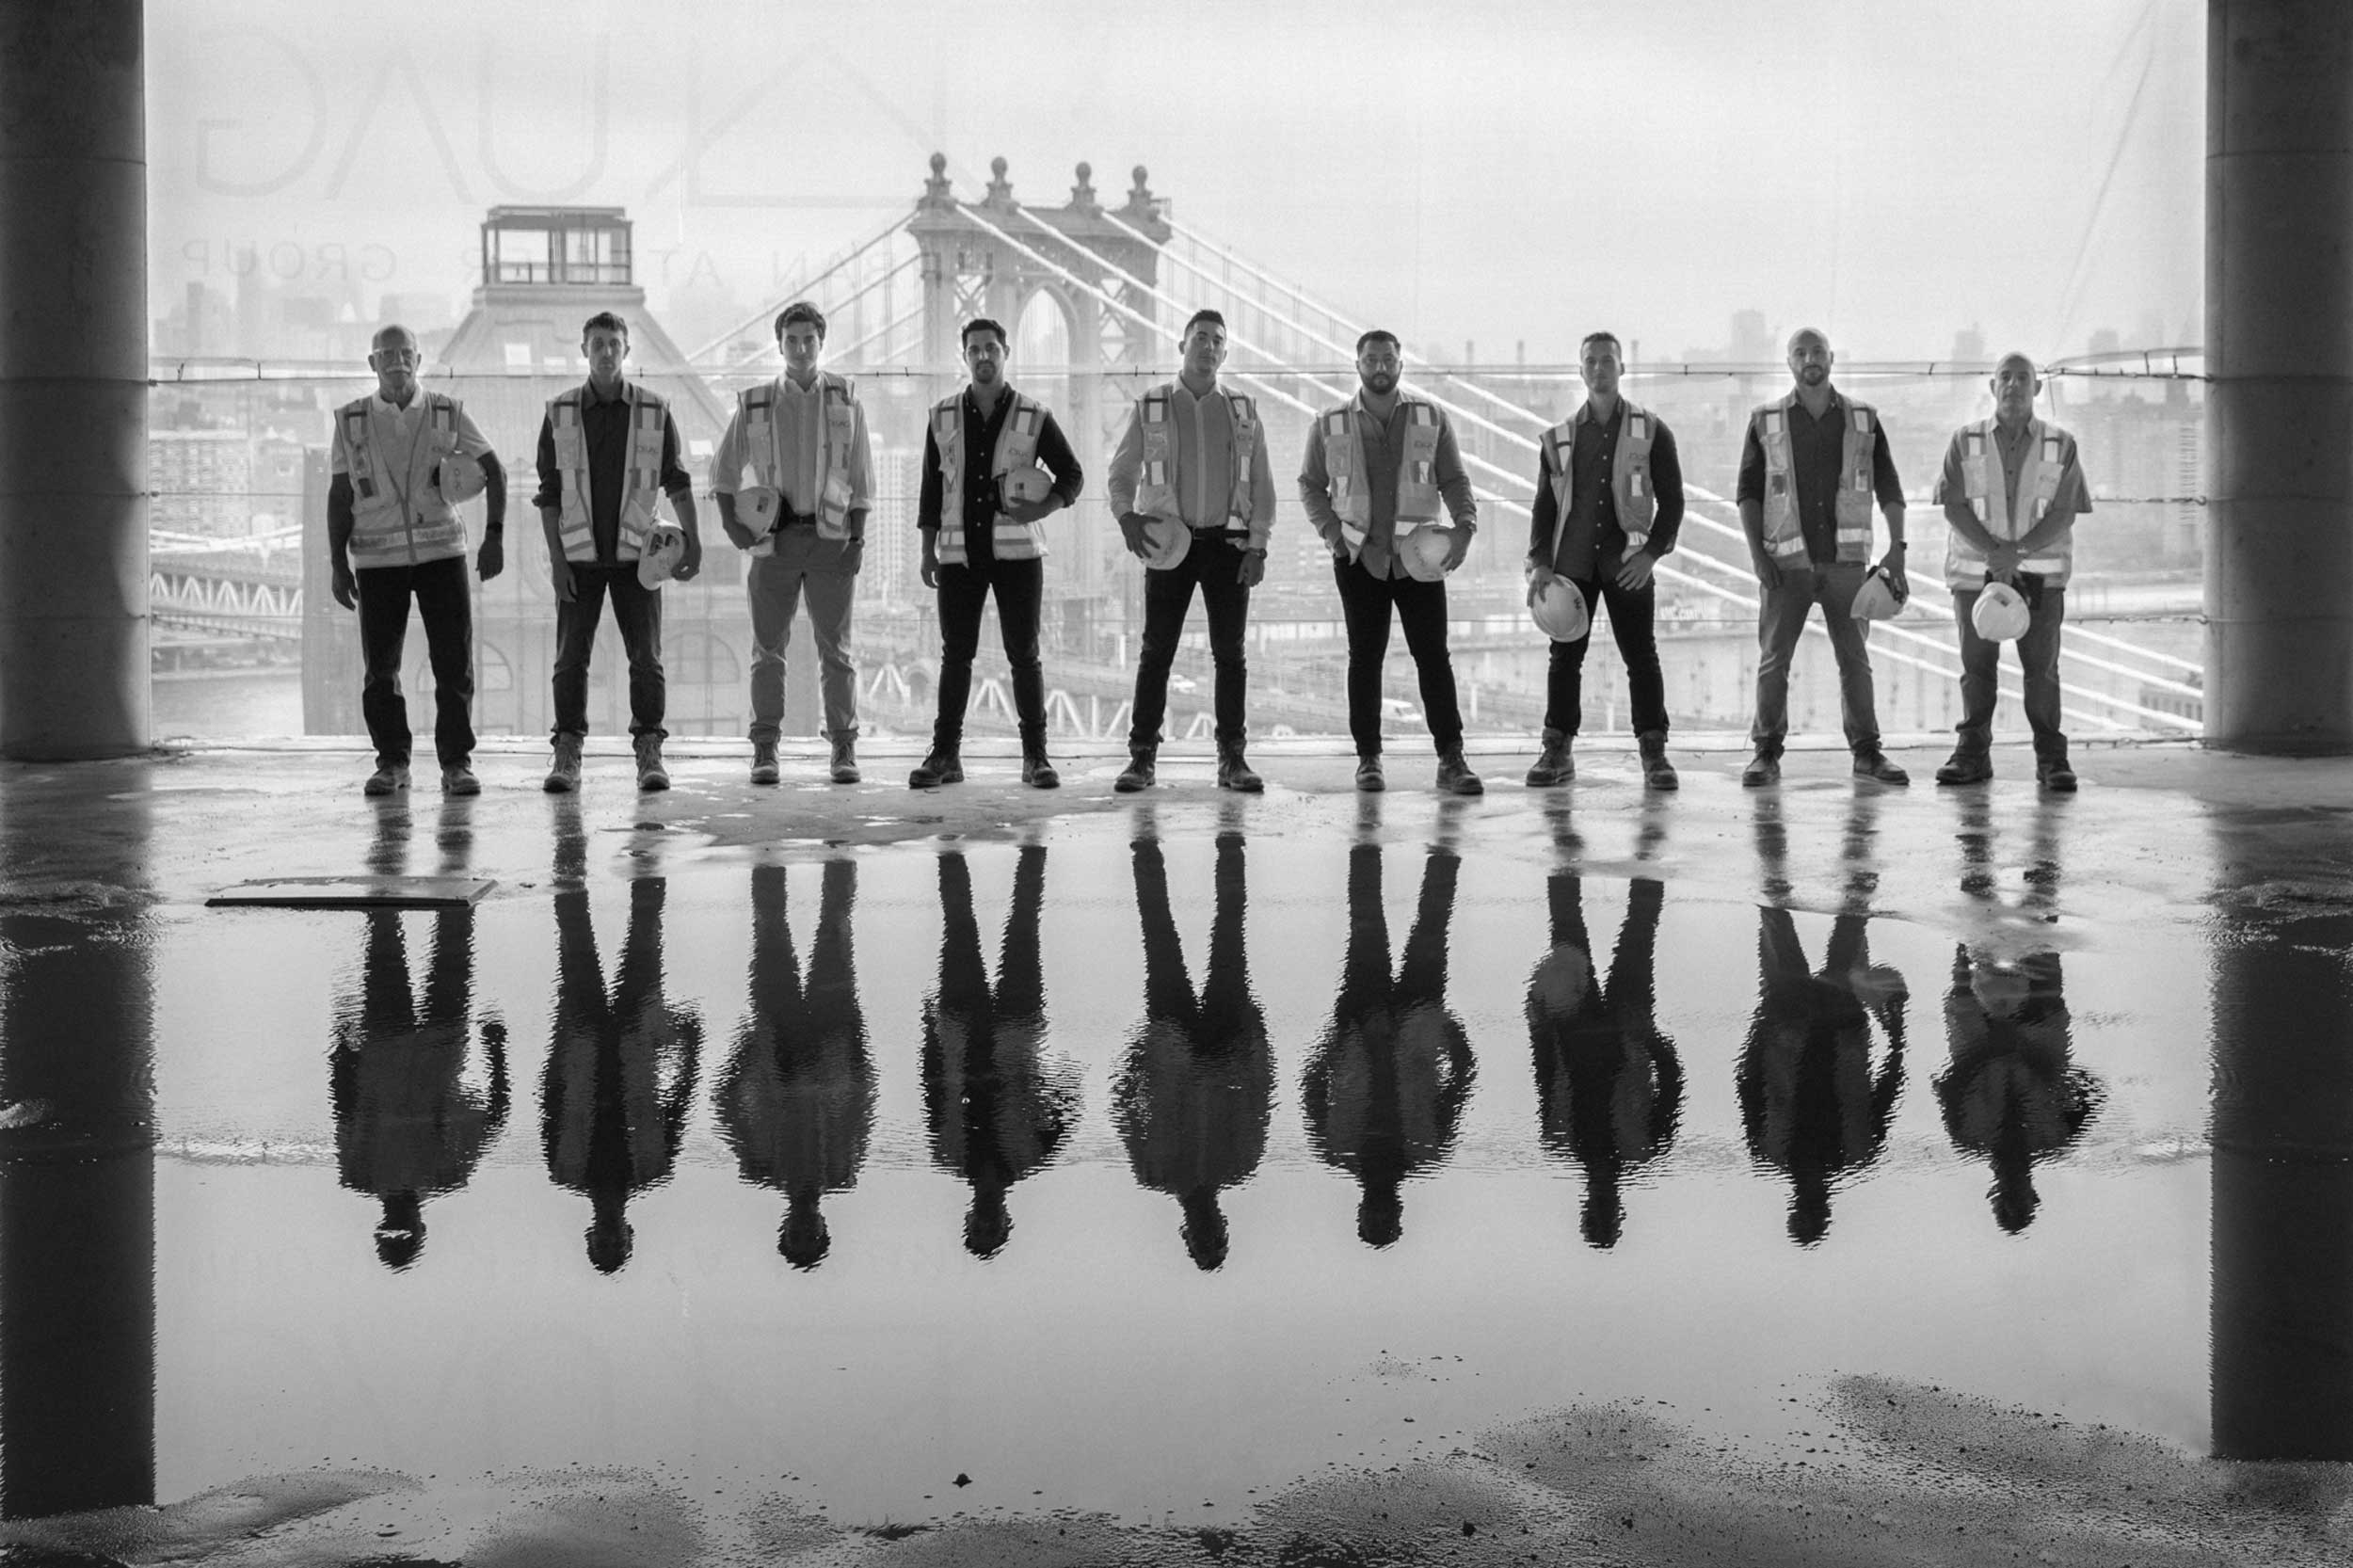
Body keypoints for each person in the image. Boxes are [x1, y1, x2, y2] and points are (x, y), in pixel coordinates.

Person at [1299, 330, 1484, 794]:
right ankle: (1369, 760)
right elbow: (1309, 485)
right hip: (1360, 558)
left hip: (1419, 559)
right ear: (1357, 364)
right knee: (1365, 659)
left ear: (1401, 364)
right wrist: (1333, 537)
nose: (1379, 366)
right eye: (1370, 359)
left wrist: (1465, 527)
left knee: (1432, 658)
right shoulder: (1329, 423)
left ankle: (1451, 758)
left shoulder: (1431, 417)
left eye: (1387, 359)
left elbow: (1455, 480)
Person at [327, 323, 506, 797]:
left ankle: (456, 764)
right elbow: (339, 493)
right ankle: (391, 763)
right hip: (376, 561)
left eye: (405, 353)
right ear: (372, 364)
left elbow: (495, 469)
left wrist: (495, 537)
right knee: (380, 669)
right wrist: (336, 563)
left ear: (419, 359)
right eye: (386, 354)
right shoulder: (351, 421)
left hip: (441, 554)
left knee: (453, 663)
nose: (397, 362)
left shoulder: (447, 412)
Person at [1106, 310, 1281, 792]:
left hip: (1229, 545)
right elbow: (1121, 472)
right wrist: (1126, 517)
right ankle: (1141, 760)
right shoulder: (1154, 404)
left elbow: (1263, 483)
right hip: (1169, 543)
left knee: (1231, 654)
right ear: (1181, 346)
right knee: (1155, 652)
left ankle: (1233, 761)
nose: (1208, 346)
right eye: (1199, 338)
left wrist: (1258, 546)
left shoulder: (1244, 409)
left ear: (1226, 352)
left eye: (1217, 341)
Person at [911, 318, 1085, 790]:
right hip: (958, 555)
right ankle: (945, 755)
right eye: (974, 350)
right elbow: (931, 491)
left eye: (991, 348)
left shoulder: (1034, 415)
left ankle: (1036, 758)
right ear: (963, 356)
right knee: (956, 655)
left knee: (1024, 655)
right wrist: (927, 552)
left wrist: (1044, 506)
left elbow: (1072, 474)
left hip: (1018, 557)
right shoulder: (942, 416)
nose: (983, 357)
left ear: (1006, 352)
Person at [533, 311, 702, 793]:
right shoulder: (560, 413)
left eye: (614, 344)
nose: (606, 352)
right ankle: (567, 753)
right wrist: (557, 561)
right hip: (580, 559)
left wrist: (693, 542)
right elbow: (548, 494)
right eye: (598, 344)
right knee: (570, 660)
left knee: (646, 659)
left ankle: (650, 751)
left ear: (627, 351)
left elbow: (678, 482)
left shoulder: (653, 410)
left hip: (638, 558)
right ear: (584, 351)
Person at [1736, 328, 1913, 787]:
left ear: (1832, 359)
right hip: (1785, 565)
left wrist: (1898, 548)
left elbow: (1889, 487)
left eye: (1817, 351)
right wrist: (1758, 556)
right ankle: (1765, 754)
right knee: (1774, 661)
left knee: (1855, 660)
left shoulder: (1863, 420)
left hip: (1845, 565)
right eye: (1800, 352)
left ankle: (1868, 753)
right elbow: (1748, 495)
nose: (1809, 358)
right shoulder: (1765, 421)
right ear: (1789, 362)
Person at [711, 301, 874, 787]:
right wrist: (732, 528)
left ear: (822, 344)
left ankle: (843, 749)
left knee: (837, 652)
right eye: (792, 340)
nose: (801, 348)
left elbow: (862, 476)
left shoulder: (846, 401)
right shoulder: (756, 404)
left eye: (809, 339)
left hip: (830, 540)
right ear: (779, 345)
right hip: (773, 542)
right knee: (768, 650)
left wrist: (858, 539)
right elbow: (722, 473)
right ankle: (765, 749)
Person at [1524, 330, 1686, 791]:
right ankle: (1557, 750)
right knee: (1564, 659)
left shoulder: (1651, 430)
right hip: (1571, 565)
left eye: (1607, 361)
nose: (1599, 368)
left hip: (1628, 564)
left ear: (1622, 368)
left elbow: (1673, 502)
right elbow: (1544, 507)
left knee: (1641, 657)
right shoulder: (1558, 440)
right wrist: (1539, 561)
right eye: (1590, 361)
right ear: (1580, 371)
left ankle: (1654, 754)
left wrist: (1653, 554)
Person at [1929, 353, 2095, 792]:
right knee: (1976, 669)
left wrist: (2015, 552)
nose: (2014, 385)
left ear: (2037, 388)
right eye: (2006, 377)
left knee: (2042, 672)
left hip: (2039, 577)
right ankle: (1971, 756)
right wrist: (1995, 553)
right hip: (1974, 575)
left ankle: (2051, 760)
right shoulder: (1964, 441)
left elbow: (2065, 511)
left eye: (2023, 378)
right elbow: (1953, 504)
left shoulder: (2062, 444)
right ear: (1992, 386)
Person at [1111, 824, 1273, 1270]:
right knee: (1229, 929)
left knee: (1158, 930)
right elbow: (1260, 1094)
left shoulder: (1154, 1173)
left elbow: (1124, 1109)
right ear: (1224, 1227)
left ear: (1187, 1234)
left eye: (1203, 1240)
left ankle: (1145, 845)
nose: (1208, 1231)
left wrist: (1139, 1053)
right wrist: (1257, 1039)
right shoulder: (1241, 1164)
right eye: (1216, 1238)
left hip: (1170, 1046)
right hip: (1227, 1042)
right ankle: (1231, 842)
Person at [1302, 840, 1477, 1248]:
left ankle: (1365, 841)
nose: (1381, 1210)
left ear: (1360, 1212)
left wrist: (1338, 1038)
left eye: (1373, 1218)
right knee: (1432, 923)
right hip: (1419, 1017)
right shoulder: (1428, 1151)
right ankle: (1446, 844)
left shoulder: (1334, 1149)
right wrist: (1447, 1028)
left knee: (1366, 920)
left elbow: (1311, 1087)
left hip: (1360, 1019)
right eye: (1388, 1219)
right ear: (1399, 1212)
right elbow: (1462, 1079)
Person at [542, 832, 703, 1275]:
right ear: (630, 1233)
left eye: (603, 1242)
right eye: (617, 1242)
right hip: (636, 1032)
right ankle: (650, 844)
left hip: (582, 1034)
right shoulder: (654, 1167)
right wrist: (691, 1049)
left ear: (590, 1235)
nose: (610, 1235)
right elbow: (678, 1104)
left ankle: (568, 849)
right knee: (647, 930)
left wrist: (559, 1039)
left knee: (574, 934)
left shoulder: (564, 1169)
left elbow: (551, 1094)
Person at [715, 859, 873, 1269]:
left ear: (784, 1227)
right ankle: (840, 848)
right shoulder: (843, 1170)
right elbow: (863, 1100)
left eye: (796, 1236)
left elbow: (724, 1102)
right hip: (834, 1034)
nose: (804, 1229)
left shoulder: (759, 1166)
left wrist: (749, 1049)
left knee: (770, 929)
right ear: (823, 1228)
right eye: (811, 1236)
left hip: (776, 1039)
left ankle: (768, 852)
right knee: (835, 925)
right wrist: (857, 1047)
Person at [921, 845, 1079, 1258]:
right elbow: (1067, 1102)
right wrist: (1044, 1065)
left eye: (979, 1227)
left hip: (959, 1022)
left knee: (958, 925)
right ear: (1007, 1219)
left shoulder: (948, 1154)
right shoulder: (1030, 1155)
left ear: (968, 1218)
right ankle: (1034, 845)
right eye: (994, 1228)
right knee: (1024, 923)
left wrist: (929, 1033)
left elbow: (932, 1087)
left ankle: (950, 846)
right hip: (1017, 1023)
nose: (987, 1220)